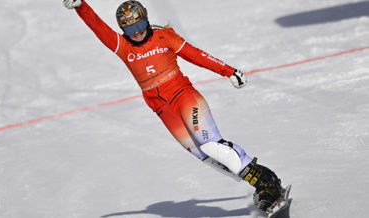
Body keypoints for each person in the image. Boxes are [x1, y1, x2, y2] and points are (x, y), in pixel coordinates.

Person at [63, 0, 283, 211]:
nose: (137, 32)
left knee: (210, 144)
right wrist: (81, 6)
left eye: (139, 25)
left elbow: (196, 55)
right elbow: (97, 25)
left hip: (184, 96)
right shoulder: (122, 45)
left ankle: (266, 183)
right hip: (163, 110)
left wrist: (229, 71)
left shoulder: (164, 37)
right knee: (205, 157)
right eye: (130, 29)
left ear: (146, 20)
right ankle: (262, 181)